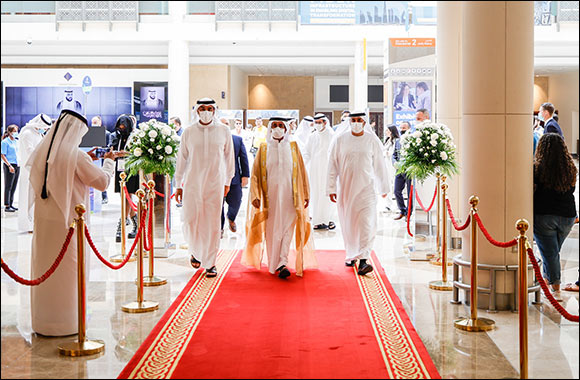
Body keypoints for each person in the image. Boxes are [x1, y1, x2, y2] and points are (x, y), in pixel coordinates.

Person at [27, 109, 119, 336]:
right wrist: (108, 162)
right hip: (69, 224)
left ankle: (45, 322)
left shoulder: (44, 151)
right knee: (68, 272)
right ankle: (67, 323)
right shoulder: (76, 156)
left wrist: (91, 158)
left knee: (45, 269)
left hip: (45, 224)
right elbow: (101, 183)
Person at [243, 116, 316, 279]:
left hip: (291, 198)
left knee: (287, 230)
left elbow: (303, 172)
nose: (277, 128)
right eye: (274, 125)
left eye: (280, 125)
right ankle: (274, 263)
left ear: (286, 128)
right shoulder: (263, 149)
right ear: (270, 129)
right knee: (272, 231)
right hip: (271, 200)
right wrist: (255, 194)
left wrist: (306, 193)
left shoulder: (293, 147)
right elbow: (255, 175)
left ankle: (282, 262)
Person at [175, 98, 235, 278]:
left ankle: (210, 263)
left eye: (210, 108)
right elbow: (181, 159)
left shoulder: (224, 131)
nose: (206, 111)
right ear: (197, 111)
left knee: (212, 223)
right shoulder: (189, 132)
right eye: (202, 108)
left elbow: (229, 158)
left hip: (215, 184)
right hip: (192, 182)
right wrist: (178, 185)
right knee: (191, 219)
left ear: (215, 111)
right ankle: (194, 250)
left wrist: (227, 182)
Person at [327, 111, 390, 275]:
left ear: (364, 122)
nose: (356, 122)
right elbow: (332, 165)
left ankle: (364, 260)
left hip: (367, 190)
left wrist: (384, 188)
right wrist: (331, 188)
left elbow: (380, 166)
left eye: (359, 120)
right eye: (353, 120)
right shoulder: (340, 140)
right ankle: (351, 254)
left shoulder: (371, 140)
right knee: (349, 224)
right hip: (346, 190)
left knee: (366, 224)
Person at [533, 133, 577, 296]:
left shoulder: (537, 168)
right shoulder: (570, 168)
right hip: (567, 217)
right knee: (551, 251)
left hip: (544, 216)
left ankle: (555, 287)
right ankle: (546, 279)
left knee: (550, 252)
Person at [18, 114, 52, 231]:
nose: (45, 130)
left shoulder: (38, 134)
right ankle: (28, 225)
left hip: (38, 171)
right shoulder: (27, 133)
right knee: (28, 197)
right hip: (29, 171)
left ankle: (36, 223)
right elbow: (30, 152)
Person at [303, 112, 336, 230]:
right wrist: (302, 164)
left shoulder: (332, 135)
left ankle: (329, 219)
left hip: (328, 169)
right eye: (315, 123)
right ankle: (318, 220)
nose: (317, 125)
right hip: (315, 170)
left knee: (327, 194)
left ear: (325, 123)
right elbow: (307, 152)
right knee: (316, 194)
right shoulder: (312, 136)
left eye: (319, 123)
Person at [109, 114, 139, 242]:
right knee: (124, 197)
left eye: (123, 126)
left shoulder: (136, 136)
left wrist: (125, 153)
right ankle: (135, 222)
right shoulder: (116, 136)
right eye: (119, 126)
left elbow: (138, 152)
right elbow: (112, 149)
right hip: (119, 168)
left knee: (128, 197)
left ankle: (122, 224)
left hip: (131, 169)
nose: (121, 128)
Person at [220, 118, 250, 235]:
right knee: (218, 206)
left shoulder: (237, 140)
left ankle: (231, 217)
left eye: (227, 124)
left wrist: (245, 175)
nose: (225, 126)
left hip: (234, 178)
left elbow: (243, 158)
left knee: (236, 201)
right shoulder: (212, 141)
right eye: (222, 124)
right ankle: (220, 228)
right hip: (217, 179)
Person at [393, 121, 412, 220]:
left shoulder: (412, 140)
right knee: (396, 191)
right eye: (401, 128)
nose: (402, 130)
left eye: (404, 128)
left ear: (409, 129)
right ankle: (402, 210)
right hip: (399, 170)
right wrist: (395, 163)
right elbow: (394, 155)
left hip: (409, 170)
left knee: (410, 193)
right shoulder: (397, 141)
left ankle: (409, 213)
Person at [91, 116, 111, 205]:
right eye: (93, 122)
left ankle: (104, 196)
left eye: (96, 122)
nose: (94, 124)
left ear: (100, 123)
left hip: (102, 160)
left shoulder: (106, 134)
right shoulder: (88, 133)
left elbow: (109, 146)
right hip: (92, 159)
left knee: (102, 177)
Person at [1, 125, 20, 212]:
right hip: (9, 165)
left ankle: (11, 204)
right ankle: (7, 205)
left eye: (17, 131)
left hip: (17, 165)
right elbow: (2, 155)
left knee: (14, 185)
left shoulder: (17, 142)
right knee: (8, 185)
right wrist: (9, 166)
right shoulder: (5, 142)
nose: (16, 133)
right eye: (14, 131)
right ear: (9, 132)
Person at [382, 125, 400, 212]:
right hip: (386, 164)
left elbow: (392, 153)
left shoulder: (396, 141)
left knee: (394, 186)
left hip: (392, 166)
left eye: (387, 130)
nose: (386, 132)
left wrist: (386, 153)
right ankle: (388, 205)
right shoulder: (387, 141)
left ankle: (397, 205)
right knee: (387, 185)